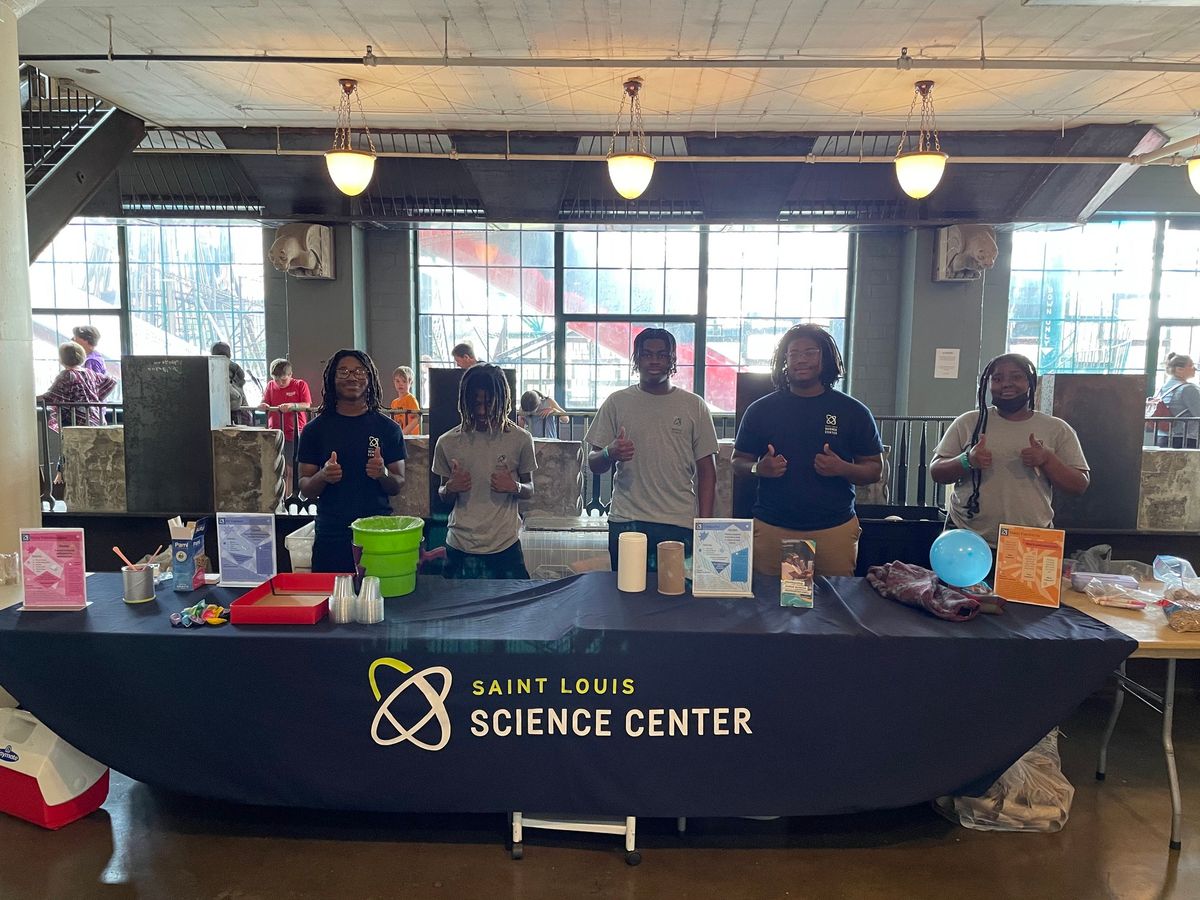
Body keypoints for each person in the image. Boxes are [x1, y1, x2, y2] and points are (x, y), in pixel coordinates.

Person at [732, 324, 883, 578]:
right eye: (793, 353)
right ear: (784, 360)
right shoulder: (761, 410)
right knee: (770, 612)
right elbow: (738, 461)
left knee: (834, 609)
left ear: (826, 358)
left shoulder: (853, 411)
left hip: (832, 530)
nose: (801, 359)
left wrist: (842, 468)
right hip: (773, 529)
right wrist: (760, 468)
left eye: (810, 352)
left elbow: (874, 470)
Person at [586, 328, 719, 571]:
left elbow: (707, 470)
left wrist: (705, 526)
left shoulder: (694, 406)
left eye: (662, 355)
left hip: (678, 521)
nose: (654, 360)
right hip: (627, 521)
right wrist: (610, 452)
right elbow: (594, 462)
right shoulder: (616, 402)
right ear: (636, 359)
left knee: (677, 598)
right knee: (626, 596)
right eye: (646, 354)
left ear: (673, 360)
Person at [931, 353, 1090, 547]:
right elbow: (937, 471)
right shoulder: (968, 422)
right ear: (988, 385)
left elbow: (1079, 485)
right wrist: (967, 460)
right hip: (968, 538)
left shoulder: (1057, 428)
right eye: (997, 379)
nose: (1006, 384)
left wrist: (1047, 459)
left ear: (1030, 382)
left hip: (1030, 540)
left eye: (1016, 377)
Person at [297, 350, 406, 573]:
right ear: (332, 378)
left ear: (370, 378)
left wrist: (383, 474)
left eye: (359, 371)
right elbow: (305, 487)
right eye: (343, 371)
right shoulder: (314, 430)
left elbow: (398, 484)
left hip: (376, 533)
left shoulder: (388, 429)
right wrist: (323, 476)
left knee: (380, 602)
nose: (352, 377)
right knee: (331, 603)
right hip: (332, 533)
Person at [432, 364, 536, 579]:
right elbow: (442, 494)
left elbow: (530, 489)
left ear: (503, 401)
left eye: (489, 404)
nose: (481, 411)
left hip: (505, 545)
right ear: (464, 402)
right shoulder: (447, 442)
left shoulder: (521, 439)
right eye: (475, 403)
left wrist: (513, 486)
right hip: (460, 544)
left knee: (514, 611)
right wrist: (450, 488)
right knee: (458, 612)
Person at [40, 340, 117, 432]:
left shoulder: (66, 375)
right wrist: (96, 397)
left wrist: (31, 399)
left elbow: (50, 396)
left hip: (80, 423)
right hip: (98, 419)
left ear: (61, 359)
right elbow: (111, 381)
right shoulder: (89, 373)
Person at [258, 358, 312, 488]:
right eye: (276, 379)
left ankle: (289, 498)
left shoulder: (300, 385)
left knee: (289, 468)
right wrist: (264, 405)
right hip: (274, 433)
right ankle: (278, 497)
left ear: (290, 375)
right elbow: (264, 402)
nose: (279, 383)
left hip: (293, 433)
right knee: (275, 468)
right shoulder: (271, 385)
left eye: (283, 380)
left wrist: (292, 405)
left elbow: (307, 404)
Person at [1153, 353, 1200, 449]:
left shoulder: (1162, 388)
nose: (1194, 368)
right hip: (1184, 439)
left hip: (1161, 436)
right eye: (1190, 365)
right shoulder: (1188, 389)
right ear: (1179, 369)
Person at [211, 341, 251, 425]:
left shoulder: (216, 370)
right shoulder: (235, 370)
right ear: (230, 355)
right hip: (242, 415)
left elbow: (235, 399)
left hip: (231, 418)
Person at [390, 365, 421, 435]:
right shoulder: (394, 402)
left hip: (411, 438)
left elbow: (417, 418)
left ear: (410, 383)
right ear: (394, 382)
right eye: (397, 381)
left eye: (404, 381)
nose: (400, 384)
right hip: (399, 436)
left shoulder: (411, 399)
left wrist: (403, 433)